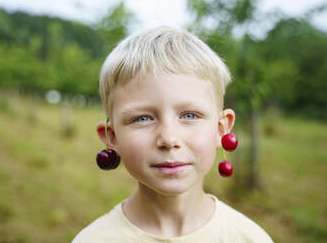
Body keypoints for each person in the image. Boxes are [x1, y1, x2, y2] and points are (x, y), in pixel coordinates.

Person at [72, 26, 273, 242]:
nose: (168, 139)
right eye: (142, 118)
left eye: (190, 115)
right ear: (112, 137)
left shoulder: (249, 238)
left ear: (220, 129)